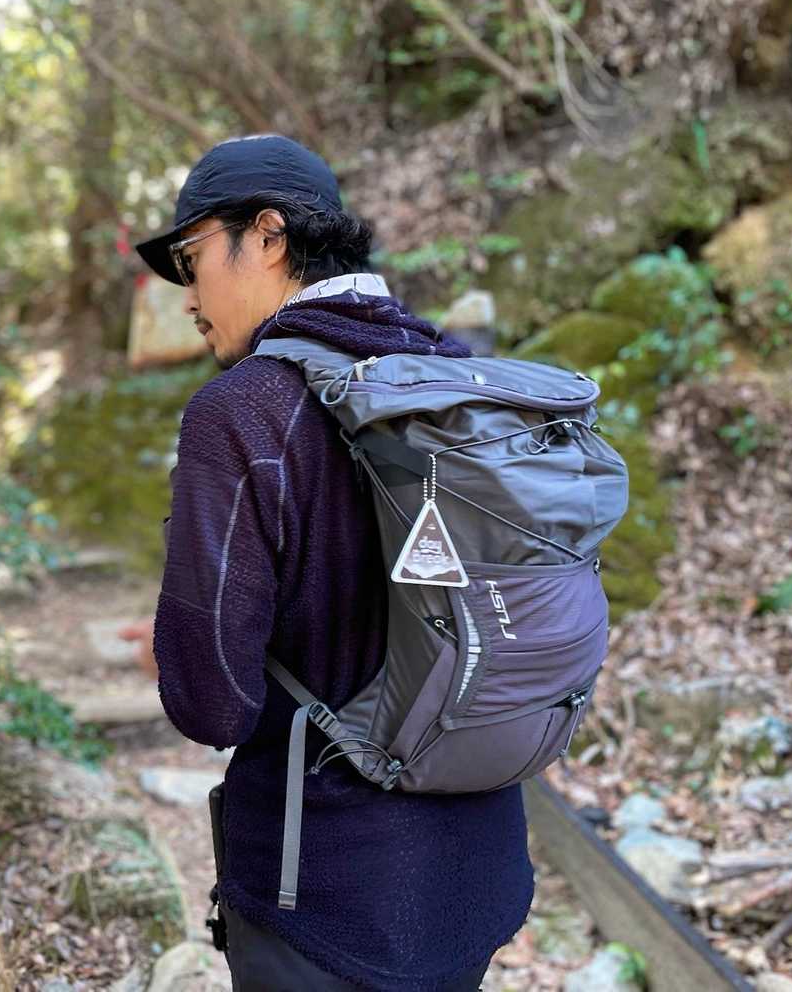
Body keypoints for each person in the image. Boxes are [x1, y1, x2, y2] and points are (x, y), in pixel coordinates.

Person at [119, 134, 534, 991]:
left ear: (269, 235)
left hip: (326, 893)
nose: (188, 296)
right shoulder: (455, 375)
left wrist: (176, 642)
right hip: (476, 870)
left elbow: (211, 703)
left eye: (193, 259)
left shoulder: (242, 411)